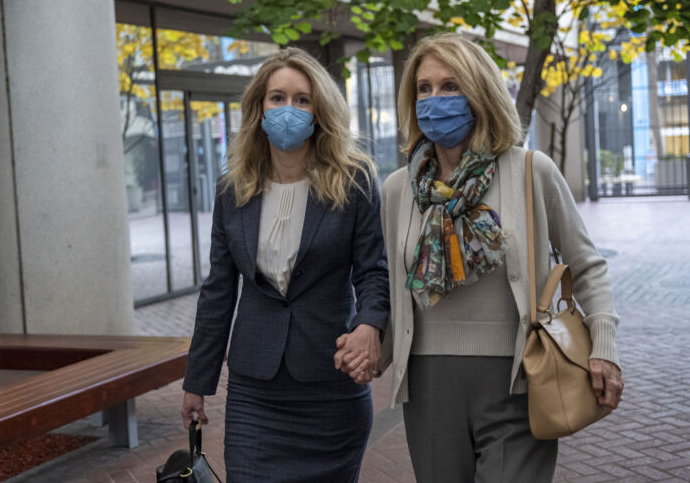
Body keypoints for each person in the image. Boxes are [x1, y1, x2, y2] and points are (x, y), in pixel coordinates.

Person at [339, 33, 624, 482]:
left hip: (519, 376)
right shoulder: (397, 189)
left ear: (479, 91)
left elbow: (587, 265)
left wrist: (603, 348)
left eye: (450, 86)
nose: (435, 99)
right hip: (429, 386)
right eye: (424, 89)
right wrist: (372, 344)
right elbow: (396, 287)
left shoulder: (530, 171)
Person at [180, 47, 389, 482]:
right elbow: (218, 289)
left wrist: (369, 325)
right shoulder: (231, 190)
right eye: (277, 98)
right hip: (255, 391)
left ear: (319, 111)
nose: (288, 109)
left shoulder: (355, 181)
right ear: (259, 108)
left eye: (302, 99)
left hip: (331, 386)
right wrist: (196, 381)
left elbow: (374, 270)